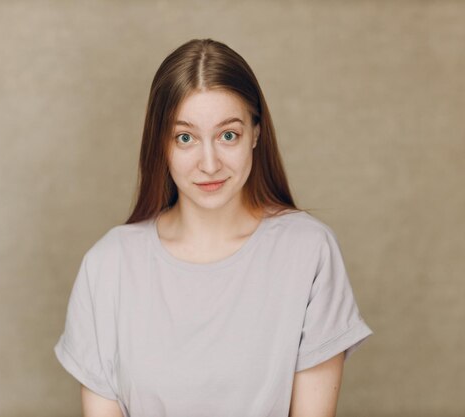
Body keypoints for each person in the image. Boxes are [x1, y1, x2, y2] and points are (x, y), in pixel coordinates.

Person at [54, 38, 372, 417]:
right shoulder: (108, 264)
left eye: (228, 135)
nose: (209, 163)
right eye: (185, 137)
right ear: (161, 144)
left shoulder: (309, 250)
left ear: (256, 133)